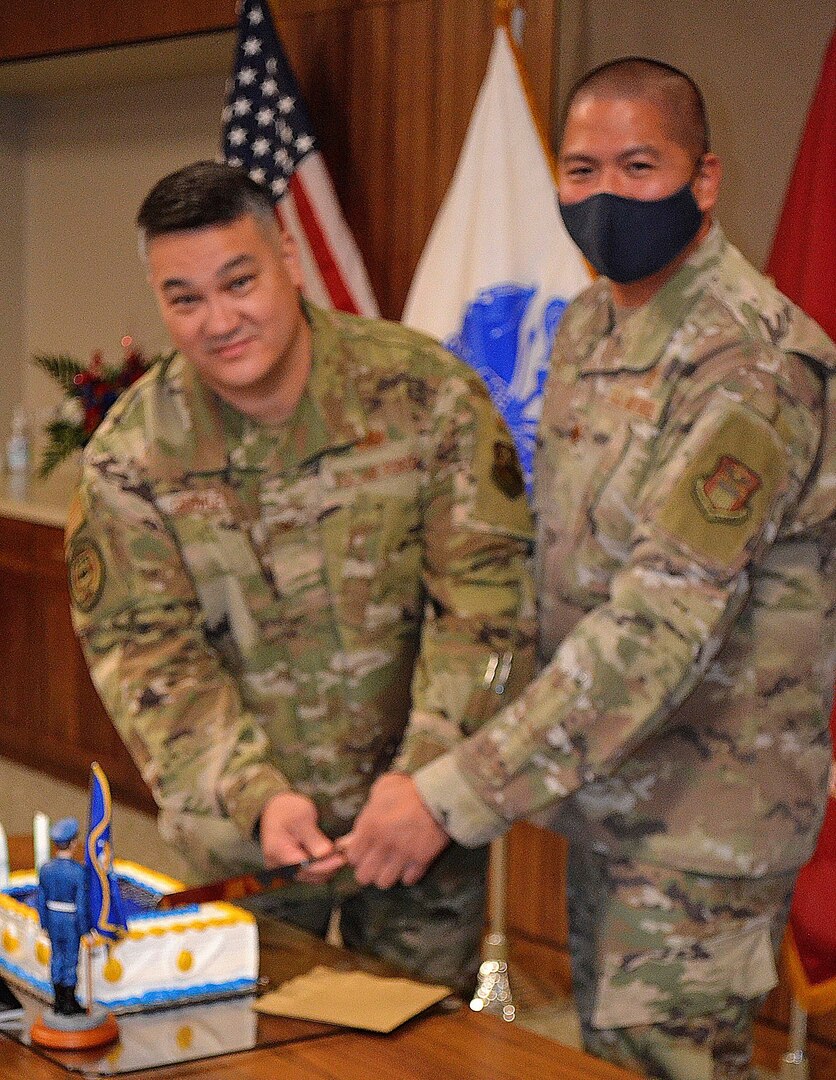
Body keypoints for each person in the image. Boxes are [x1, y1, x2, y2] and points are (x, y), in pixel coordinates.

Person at [340, 58, 836, 1079]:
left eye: (638, 166)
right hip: (607, 793)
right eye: (579, 169)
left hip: (707, 827)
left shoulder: (751, 362)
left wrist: (450, 795)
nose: (604, 195)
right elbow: (560, 571)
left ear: (703, 180)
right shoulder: (590, 322)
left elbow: (654, 626)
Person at [66, 161, 534, 996]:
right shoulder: (131, 458)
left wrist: (426, 779)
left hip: (421, 832)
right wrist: (256, 797)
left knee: (419, 1048)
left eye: (239, 282)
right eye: (185, 298)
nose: (219, 320)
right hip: (249, 841)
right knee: (249, 1043)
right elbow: (149, 658)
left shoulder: (427, 396)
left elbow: (487, 605)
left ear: (286, 253)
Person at [36, 818, 89, 1017]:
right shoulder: (77, 872)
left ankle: (58, 1000)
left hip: (52, 919)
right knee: (70, 960)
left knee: (56, 957)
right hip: (70, 921)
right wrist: (85, 930)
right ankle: (68, 1001)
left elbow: (41, 899)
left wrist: (43, 922)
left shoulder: (46, 869)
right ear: (74, 843)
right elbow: (81, 906)